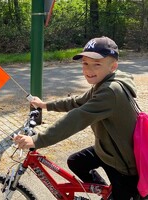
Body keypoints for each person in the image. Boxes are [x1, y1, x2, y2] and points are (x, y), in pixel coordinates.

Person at [14, 36, 139, 200]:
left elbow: (78, 118)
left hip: (124, 164)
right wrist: (45, 105)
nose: (88, 70)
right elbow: (77, 102)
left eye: (97, 64)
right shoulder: (103, 83)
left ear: (113, 66)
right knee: (76, 162)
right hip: (107, 150)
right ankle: (105, 192)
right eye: (85, 63)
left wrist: (38, 140)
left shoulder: (111, 90)